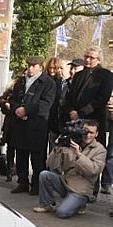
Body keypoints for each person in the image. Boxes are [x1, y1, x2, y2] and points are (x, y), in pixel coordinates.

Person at [61, 46, 113, 197]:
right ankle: (71, 185)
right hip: (76, 120)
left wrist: (82, 112)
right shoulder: (78, 75)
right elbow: (69, 96)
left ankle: (92, 190)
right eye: (86, 57)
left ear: (98, 59)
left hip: (94, 121)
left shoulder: (106, 75)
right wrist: (71, 111)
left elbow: (101, 98)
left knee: (92, 156)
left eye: (91, 57)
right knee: (74, 154)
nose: (88, 60)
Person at [33, 120, 106, 218]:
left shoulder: (100, 150)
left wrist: (79, 155)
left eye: (91, 133)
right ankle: (46, 204)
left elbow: (94, 170)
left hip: (81, 190)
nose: (87, 135)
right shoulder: (71, 143)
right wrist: (57, 149)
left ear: (96, 134)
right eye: (85, 132)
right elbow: (52, 165)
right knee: (45, 175)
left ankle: (80, 204)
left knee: (61, 213)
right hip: (66, 183)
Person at [9, 56, 56, 195]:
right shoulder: (21, 81)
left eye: (33, 66)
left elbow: (46, 104)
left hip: (37, 125)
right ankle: (22, 182)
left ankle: (36, 185)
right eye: (29, 65)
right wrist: (16, 108)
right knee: (21, 155)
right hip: (20, 123)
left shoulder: (48, 83)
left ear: (40, 67)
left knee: (37, 158)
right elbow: (14, 98)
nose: (30, 68)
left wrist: (26, 110)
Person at [45, 57, 64, 152]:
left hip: (54, 118)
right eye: (50, 68)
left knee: (53, 147)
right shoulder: (44, 80)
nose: (52, 70)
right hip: (45, 116)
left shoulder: (60, 82)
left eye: (54, 68)